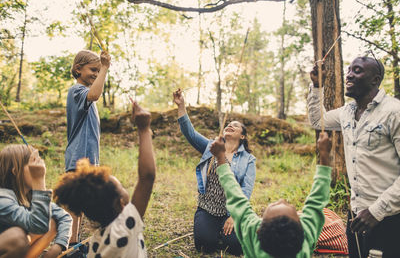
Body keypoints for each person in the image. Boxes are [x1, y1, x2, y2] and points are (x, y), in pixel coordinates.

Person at [307, 56, 400, 258]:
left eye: (357, 71)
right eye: (349, 70)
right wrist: (316, 86)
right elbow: (317, 120)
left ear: (375, 80)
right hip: (357, 214)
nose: (348, 75)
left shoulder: (394, 112)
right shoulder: (346, 113)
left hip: (391, 217)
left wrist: (377, 210)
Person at [54, 101, 156, 258]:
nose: (125, 188)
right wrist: (144, 129)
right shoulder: (126, 226)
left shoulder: (95, 242)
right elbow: (147, 177)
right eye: (121, 187)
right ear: (120, 203)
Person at [210, 132, 332, 258]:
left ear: (258, 230)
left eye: (274, 205)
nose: (281, 199)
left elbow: (233, 192)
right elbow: (317, 199)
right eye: (288, 205)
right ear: (303, 230)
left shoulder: (252, 232)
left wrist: (219, 157)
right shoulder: (305, 239)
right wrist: (325, 155)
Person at [173, 88, 256, 256]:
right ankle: (211, 230)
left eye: (236, 126)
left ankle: (229, 231)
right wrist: (181, 106)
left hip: (232, 211)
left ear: (243, 137)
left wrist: (234, 216)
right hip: (208, 209)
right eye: (229, 124)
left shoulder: (248, 159)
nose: (230, 125)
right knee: (205, 245)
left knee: (235, 246)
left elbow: (246, 191)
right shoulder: (211, 147)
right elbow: (189, 133)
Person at [65, 49, 111, 244]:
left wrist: (103, 69)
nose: (96, 73)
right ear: (78, 69)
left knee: (81, 202)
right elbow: (94, 95)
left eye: (98, 70)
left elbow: (94, 94)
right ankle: (70, 242)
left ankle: (75, 241)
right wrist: (105, 68)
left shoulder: (86, 94)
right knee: (75, 203)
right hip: (79, 156)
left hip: (87, 157)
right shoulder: (77, 91)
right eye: (93, 69)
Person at [0, 145, 72, 258]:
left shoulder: (28, 196)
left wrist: (58, 247)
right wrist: (39, 181)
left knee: (51, 221)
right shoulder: (2, 199)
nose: (38, 167)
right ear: (15, 171)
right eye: (32, 164)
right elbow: (39, 226)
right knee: (17, 237)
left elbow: (64, 217)